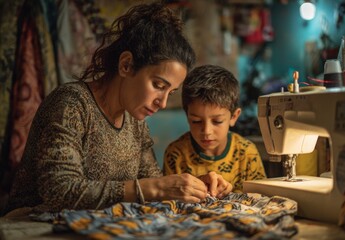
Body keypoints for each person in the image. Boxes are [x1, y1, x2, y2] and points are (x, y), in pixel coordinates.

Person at [4, 2, 229, 214]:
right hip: (31, 224)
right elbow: (60, 191)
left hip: (92, 224)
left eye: (170, 93)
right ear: (126, 65)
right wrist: (157, 188)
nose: (162, 102)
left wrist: (196, 185)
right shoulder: (71, 104)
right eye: (158, 86)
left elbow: (151, 180)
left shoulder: (135, 120)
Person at [163, 64, 267, 194]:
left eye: (217, 121)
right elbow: (169, 201)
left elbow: (260, 199)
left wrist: (232, 195)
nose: (207, 131)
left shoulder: (247, 153)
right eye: (196, 121)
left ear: (234, 117)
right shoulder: (176, 154)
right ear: (187, 115)